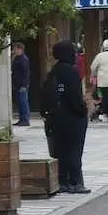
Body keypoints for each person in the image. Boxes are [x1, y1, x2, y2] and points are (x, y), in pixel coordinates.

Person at [43, 40, 90, 194]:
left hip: (56, 119)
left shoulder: (53, 72)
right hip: (73, 119)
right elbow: (75, 99)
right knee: (74, 151)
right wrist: (84, 111)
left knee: (60, 151)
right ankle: (75, 182)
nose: (76, 55)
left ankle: (62, 181)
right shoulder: (72, 72)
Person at [11, 42, 31, 126]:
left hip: (22, 85)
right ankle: (21, 119)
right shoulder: (17, 58)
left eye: (15, 49)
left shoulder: (24, 59)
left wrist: (24, 85)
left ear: (20, 49)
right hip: (17, 84)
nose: (14, 50)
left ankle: (25, 119)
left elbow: (26, 73)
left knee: (23, 102)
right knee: (20, 102)